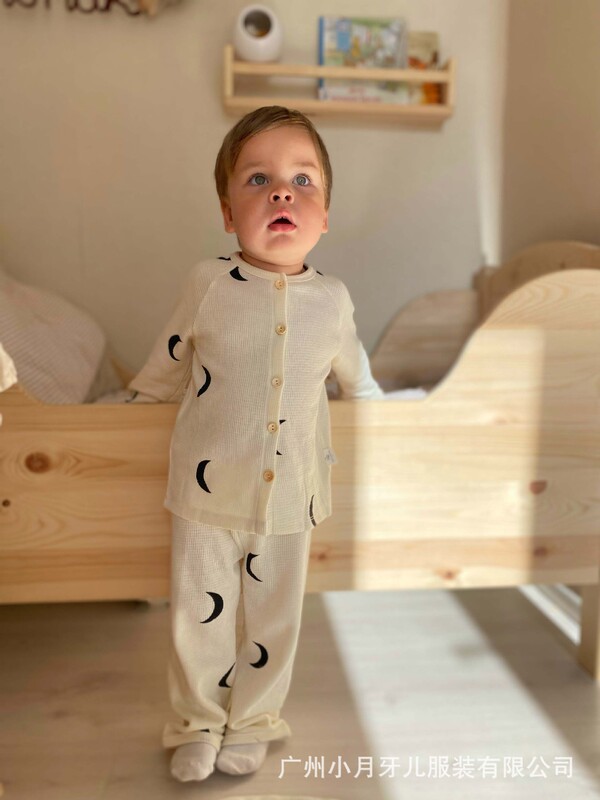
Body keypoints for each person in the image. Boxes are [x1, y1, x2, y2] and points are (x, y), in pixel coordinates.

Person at [127, 105, 385, 782]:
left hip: (291, 495)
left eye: (303, 181)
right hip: (205, 496)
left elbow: (357, 378)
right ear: (227, 212)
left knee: (274, 622)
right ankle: (196, 723)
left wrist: (390, 419)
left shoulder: (333, 300)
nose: (282, 194)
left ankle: (253, 722)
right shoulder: (208, 284)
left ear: (325, 217)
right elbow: (166, 364)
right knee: (199, 619)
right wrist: (121, 416)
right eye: (258, 180)